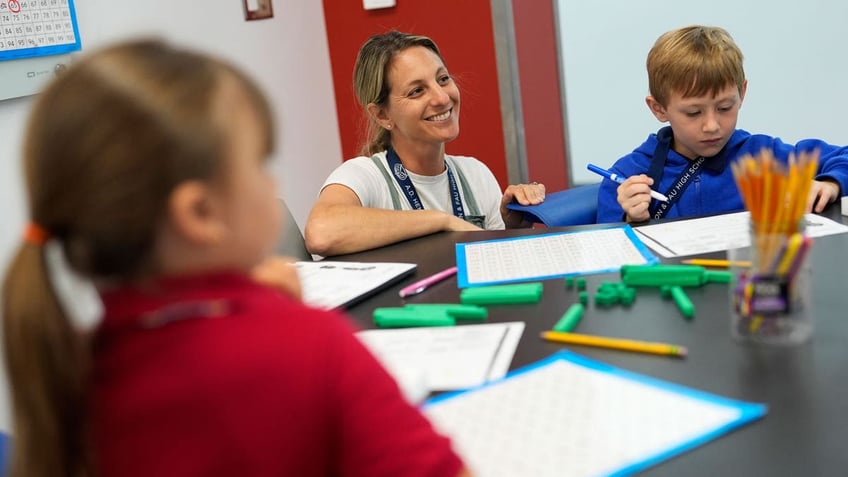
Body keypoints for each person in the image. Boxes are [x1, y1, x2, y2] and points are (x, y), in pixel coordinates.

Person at [1, 40, 471, 477]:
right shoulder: (308, 346)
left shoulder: (72, 367)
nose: (273, 185)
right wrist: (290, 323)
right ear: (200, 213)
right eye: (257, 164)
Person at [305, 30, 545, 257]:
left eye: (442, 79)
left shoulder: (475, 174)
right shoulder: (365, 175)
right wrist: (440, 221)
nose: (442, 98)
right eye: (417, 91)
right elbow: (321, 232)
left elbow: (494, 266)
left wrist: (514, 229)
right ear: (382, 115)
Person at [596, 25, 848, 224]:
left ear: (742, 93)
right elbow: (605, 253)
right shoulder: (628, 175)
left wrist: (830, 182)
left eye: (725, 107)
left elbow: (842, 157)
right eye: (694, 112)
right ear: (659, 108)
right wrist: (631, 219)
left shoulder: (764, 155)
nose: (712, 125)